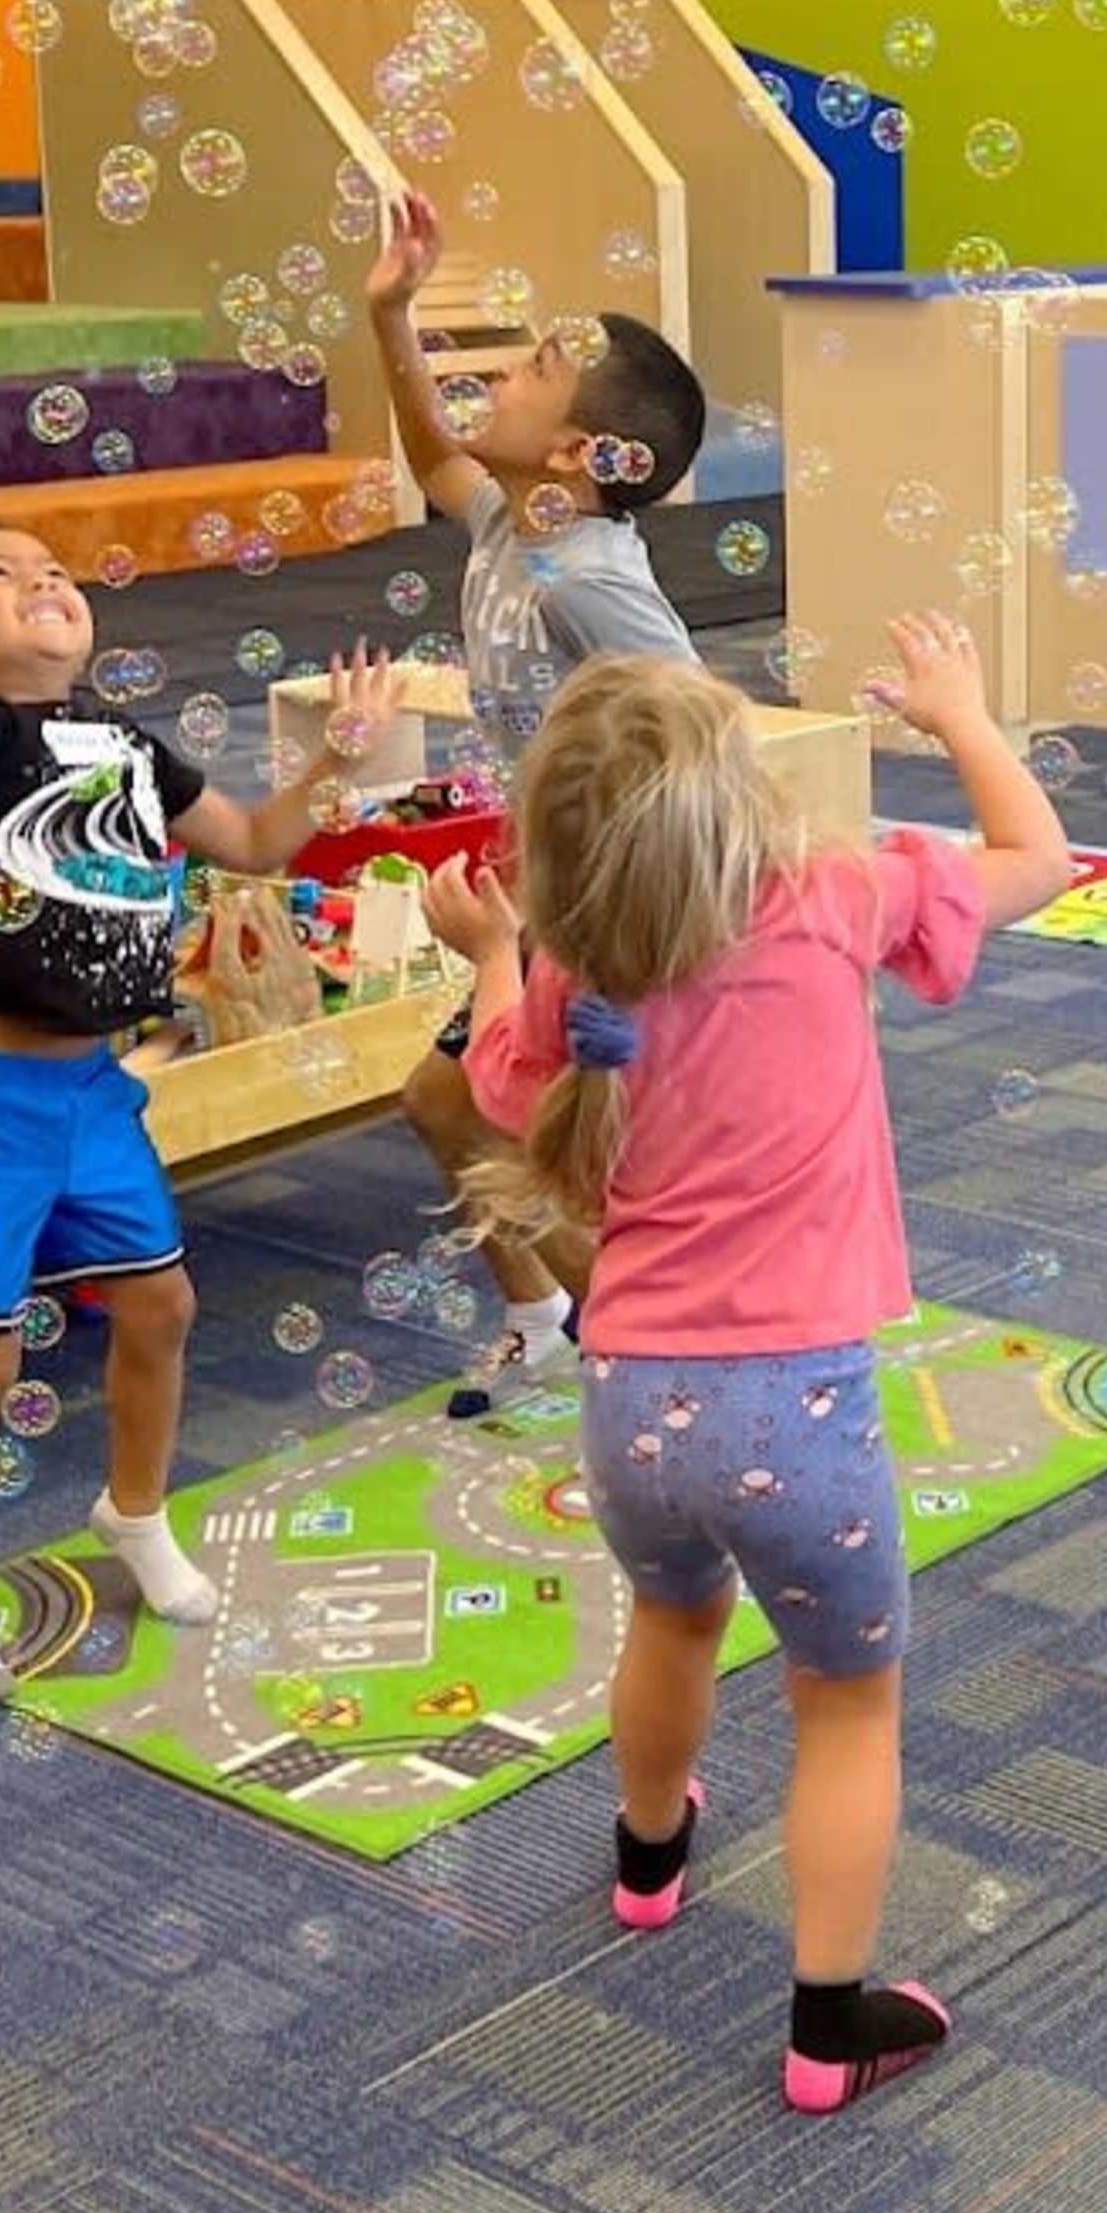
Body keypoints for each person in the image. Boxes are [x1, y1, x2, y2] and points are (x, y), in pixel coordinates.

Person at [426, 620, 1072, 2110]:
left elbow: (499, 1085)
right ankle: (826, 2023)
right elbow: (1036, 853)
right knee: (846, 1702)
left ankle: (649, 1857)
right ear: (741, 795)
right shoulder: (830, 895)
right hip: (800, 1409)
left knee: (669, 1614)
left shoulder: (579, 966)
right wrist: (965, 717)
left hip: (630, 1397)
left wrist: (489, 955)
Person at [0, 408, 395, 1704]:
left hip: (96, 1092)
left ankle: (133, 1509)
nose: (41, 581)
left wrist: (331, 765)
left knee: (163, 1305)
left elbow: (254, 839)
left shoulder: (133, 747)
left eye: (57, 573)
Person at [363, 183, 710, 1407]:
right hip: (544, 889)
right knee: (442, 1100)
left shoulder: (585, 573)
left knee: (516, 1125)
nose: (508, 371)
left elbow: (691, 727)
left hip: (598, 908)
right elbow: (431, 453)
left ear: (579, 453)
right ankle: (550, 1313)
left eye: (542, 367)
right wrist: (390, 315)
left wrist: (604, 880)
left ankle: (656, 1343)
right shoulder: (512, 527)